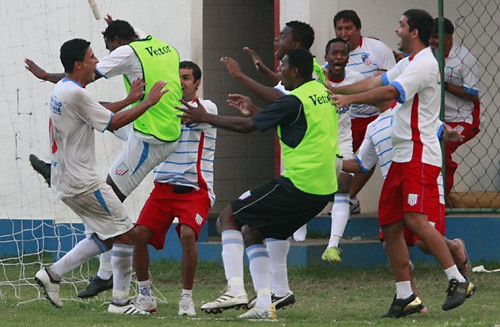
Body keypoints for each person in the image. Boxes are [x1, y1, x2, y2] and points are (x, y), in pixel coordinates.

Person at [329, 9, 474, 317]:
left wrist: (348, 101)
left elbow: (390, 91)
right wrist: (336, 90)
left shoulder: (424, 64)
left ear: (415, 33)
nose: (396, 29)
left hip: (419, 153)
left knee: (416, 221)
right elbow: (375, 81)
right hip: (403, 155)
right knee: (391, 228)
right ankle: (405, 297)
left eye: (401, 25)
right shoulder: (408, 62)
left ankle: (457, 279)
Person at [26, 17, 182, 296]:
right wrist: (140, 100)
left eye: (106, 49)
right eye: (93, 55)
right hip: (152, 130)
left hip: (148, 137)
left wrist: (46, 75)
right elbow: (105, 114)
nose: (102, 58)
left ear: (119, 42)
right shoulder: (154, 42)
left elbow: (90, 80)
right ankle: (112, 291)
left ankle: (101, 276)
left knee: (112, 215)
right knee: (115, 222)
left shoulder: (114, 57)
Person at [178, 48, 338, 320]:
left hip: (299, 184)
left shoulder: (293, 100)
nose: (280, 72)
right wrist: (255, 110)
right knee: (253, 231)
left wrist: (205, 117)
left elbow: (247, 127)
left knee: (228, 217)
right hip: (322, 190)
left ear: (295, 71)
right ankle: (265, 303)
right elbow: (296, 126)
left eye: (283, 66)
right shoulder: (320, 92)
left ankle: (235, 290)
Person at [218, 20, 325, 310]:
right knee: (261, 230)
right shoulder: (314, 84)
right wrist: (263, 79)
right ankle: (274, 294)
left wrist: (240, 78)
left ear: (296, 53)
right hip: (320, 178)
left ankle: (236, 290)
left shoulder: (304, 83)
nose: (277, 39)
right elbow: (282, 103)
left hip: (305, 177)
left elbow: (280, 100)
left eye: (283, 37)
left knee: (229, 216)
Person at [342, 99, 472, 304]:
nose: (373, 92)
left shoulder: (409, 112)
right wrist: (334, 161)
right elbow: (362, 164)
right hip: (395, 190)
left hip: (424, 184)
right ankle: (412, 299)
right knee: (390, 240)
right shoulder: (373, 126)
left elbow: (439, 130)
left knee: (422, 242)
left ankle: (454, 249)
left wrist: (447, 133)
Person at [132, 61, 217, 316]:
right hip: (163, 187)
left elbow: (190, 113)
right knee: (138, 235)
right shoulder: (162, 109)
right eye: (177, 76)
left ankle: (186, 299)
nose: (181, 81)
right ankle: (145, 295)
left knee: (188, 234)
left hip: (195, 189)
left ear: (197, 83)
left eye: (187, 78)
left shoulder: (207, 108)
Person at [333, 10, 396, 215]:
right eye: (339, 28)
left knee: (370, 157)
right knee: (346, 162)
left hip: (377, 115)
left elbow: (392, 80)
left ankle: (349, 198)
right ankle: (345, 199)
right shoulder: (336, 52)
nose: (343, 33)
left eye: (348, 28)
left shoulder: (377, 49)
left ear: (358, 29)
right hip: (349, 118)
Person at [319, 38, 362, 264]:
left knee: (344, 184)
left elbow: (372, 94)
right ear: (326, 57)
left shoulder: (355, 79)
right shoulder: (314, 78)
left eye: (343, 54)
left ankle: (333, 246)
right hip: (317, 142)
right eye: (334, 53)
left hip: (343, 141)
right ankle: (297, 237)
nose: (338, 57)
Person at [429, 17, 481, 196]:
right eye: (430, 36)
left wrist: (444, 85)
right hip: (439, 118)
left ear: (449, 37)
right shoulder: (429, 53)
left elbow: (472, 93)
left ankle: (443, 195)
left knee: (443, 148)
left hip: (464, 118)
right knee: (430, 149)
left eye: (436, 37)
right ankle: (434, 193)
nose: (432, 41)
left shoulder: (465, 58)